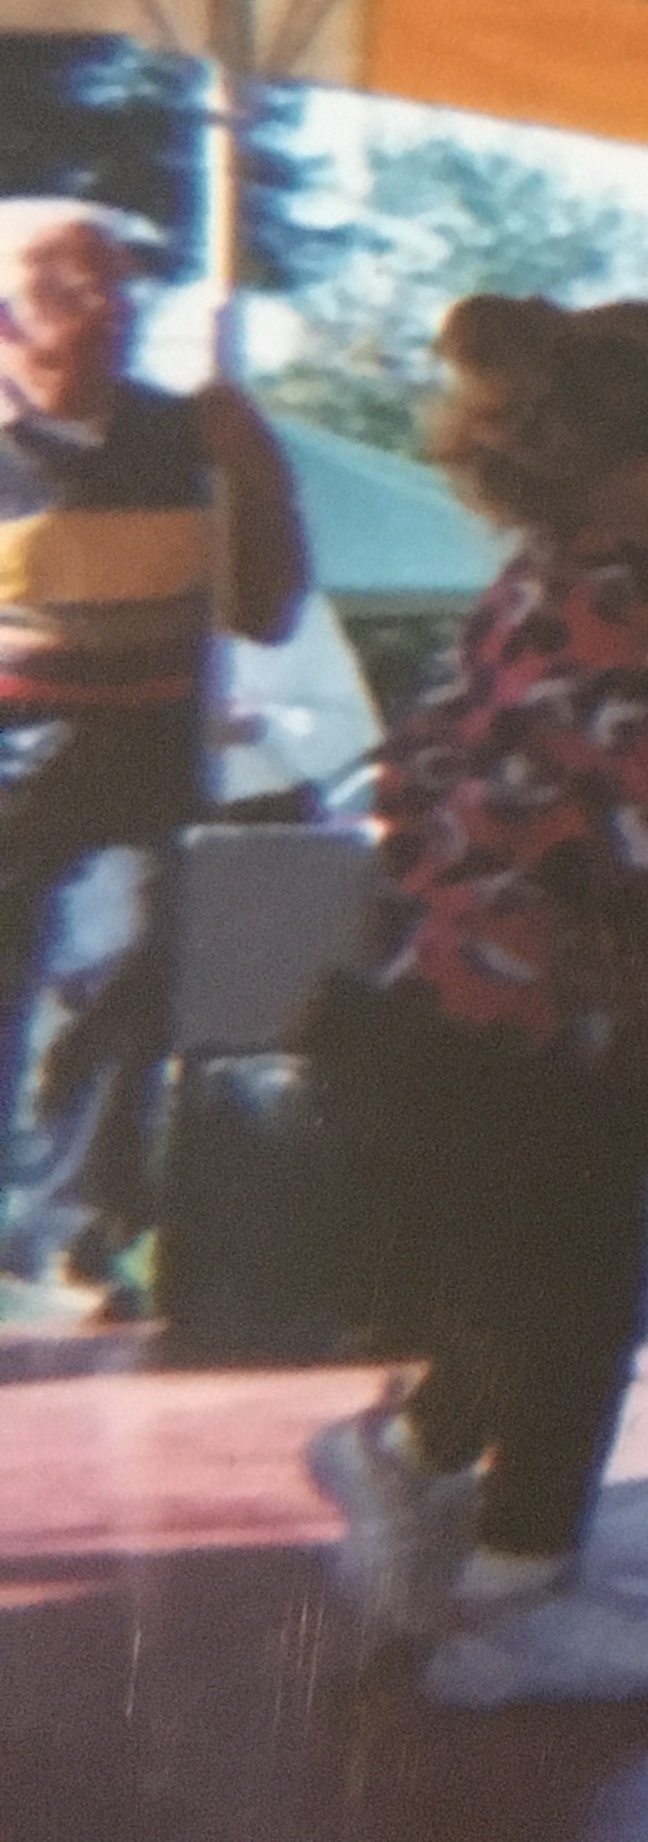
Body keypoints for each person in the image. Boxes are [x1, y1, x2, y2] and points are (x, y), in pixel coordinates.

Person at [305, 297, 648, 1706]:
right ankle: (516, 1586)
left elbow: (436, 770)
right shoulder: (631, 621)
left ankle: (413, 1465)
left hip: (457, 1007)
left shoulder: (530, 593)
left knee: (525, 1286)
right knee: (589, 1288)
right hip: (546, 1024)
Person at [0, 199, 309, 1318]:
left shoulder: (190, 439)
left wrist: (260, 477)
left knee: (125, 958)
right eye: (67, 284)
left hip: (135, 766)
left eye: (120, 279)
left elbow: (266, 613)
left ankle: (68, 1233)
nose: (109, 304)